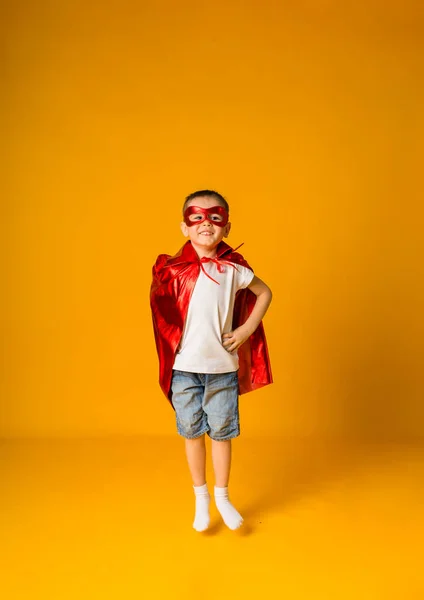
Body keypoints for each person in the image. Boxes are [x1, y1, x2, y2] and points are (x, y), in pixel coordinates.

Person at [150, 190, 273, 532]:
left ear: (227, 226)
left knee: (221, 433)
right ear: (184, 227)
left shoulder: (234, 269)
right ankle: (201, 498)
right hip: (184, 370)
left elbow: (265, 293)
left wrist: (247, 328)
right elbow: (162, 316)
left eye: (215, 217)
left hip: (222, 370)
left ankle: (222, 496)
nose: (206, 223)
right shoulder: (172, 271)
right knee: (192, 432)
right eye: (197, 217)